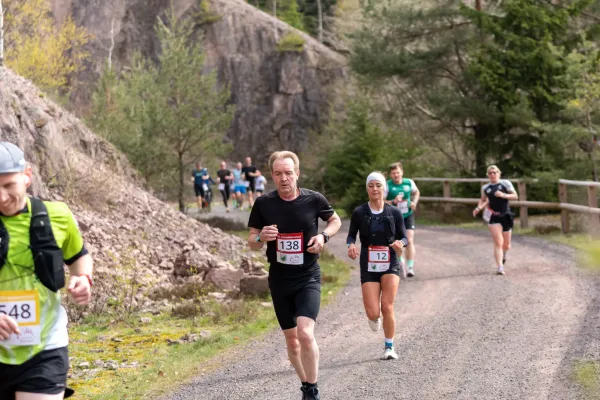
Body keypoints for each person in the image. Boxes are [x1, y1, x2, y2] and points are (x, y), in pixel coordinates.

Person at [0, 142, 93, 399]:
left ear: (27, 176)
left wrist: (83, 277)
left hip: (44, 348)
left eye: (9, 186)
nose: (2, 197)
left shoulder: (57, 215)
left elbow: (79, 256)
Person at [247, 151, 341, 400]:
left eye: (288, 173)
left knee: (305, 333)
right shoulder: (263, 203)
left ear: (297, 173)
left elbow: (335, 221)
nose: (284, 178)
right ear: (272, 176)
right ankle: (305, 383)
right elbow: (252, 241)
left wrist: (323, 237)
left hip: (308, 276)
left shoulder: (313, 199)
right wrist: (260, 237)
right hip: (279, 279)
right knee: (292, 341)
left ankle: (313, 389)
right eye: (278, 173)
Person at [347, 172, 408, 361]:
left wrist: (401, 244)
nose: (375, 189)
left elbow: (404, 236)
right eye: (371, 185)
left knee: (387, 306)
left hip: (389, 260)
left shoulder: (394, 212)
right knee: (373, 312)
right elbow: (351, 235)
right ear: (367, 189)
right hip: (368, 263)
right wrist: (351, 245)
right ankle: (375, 317)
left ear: (384, 188)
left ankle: (389, 347)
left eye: (378, 185)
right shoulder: (359, 212)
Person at [473, 165, 518, 275]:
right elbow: (483, 200)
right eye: (490, 173)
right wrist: (478, 208)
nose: (492, 174)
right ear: (487, 175)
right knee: (498, 241)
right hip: (494, 216)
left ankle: (504, 253)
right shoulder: (485, 188)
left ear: (499, 173)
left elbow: (515, 196)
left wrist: (503, 195)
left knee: (506, 245)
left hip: (506, 215)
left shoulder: (505, 183)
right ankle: (500, 267)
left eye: (495, 172)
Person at [385, 162, 420, 277]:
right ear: (391, 174)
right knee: (397, 242)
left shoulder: (409, 182)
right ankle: (400, 261)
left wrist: (414, 202)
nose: (396, 175)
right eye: (393, 173)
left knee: (409, 240)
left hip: (407, 215)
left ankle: (410, 267)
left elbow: (416, 192)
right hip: (394, 217)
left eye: (398, 173)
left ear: (402, 172)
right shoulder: (387, 185)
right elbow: (381, 201)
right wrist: (393, 202)